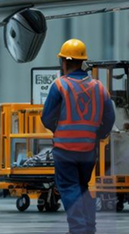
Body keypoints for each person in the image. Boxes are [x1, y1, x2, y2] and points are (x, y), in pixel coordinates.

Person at [41, 39, 114, 234]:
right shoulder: (99, 87)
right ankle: (88, 227)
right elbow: (109, 118)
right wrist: (96, 135)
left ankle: (78, 229)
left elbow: (46, 117)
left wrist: (58, 130)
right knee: (82, 187)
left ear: (63, 62)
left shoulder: (60, 86)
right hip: (89, 150)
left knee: (69, 188)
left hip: (65, 150)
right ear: (82, 62)